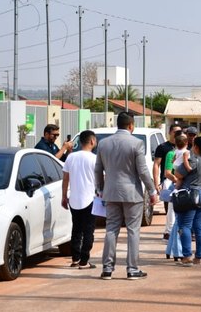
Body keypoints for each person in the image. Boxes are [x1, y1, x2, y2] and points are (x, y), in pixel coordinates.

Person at [95, 112, 158, 280]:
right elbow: (143, 171)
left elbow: (97, 169)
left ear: (118, 124)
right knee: (132, 231)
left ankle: (107, 269)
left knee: (111, 229)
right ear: (131, 126)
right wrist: (152, 190)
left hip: (110, 192)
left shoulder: (103, 143)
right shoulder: (136, 143)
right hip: (132, 193)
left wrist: (100, 189)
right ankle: (132, 269)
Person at [173, 137, 201, 265]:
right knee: (200, 226)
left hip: (191, 195)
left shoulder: (192, 160)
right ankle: (199, 257)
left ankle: (187, 256)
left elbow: (178, 174)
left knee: (185, 225)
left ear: (196, 147)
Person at [61, 130, 97, 269]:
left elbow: (65, 179)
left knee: (76, 229)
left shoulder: (71, 157)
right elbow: (101, 179)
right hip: (90, 199)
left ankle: (75, 258)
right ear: (92, 141)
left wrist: (64, 196)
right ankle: (84, 260)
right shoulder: (95, 159)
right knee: (88, 231)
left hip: (74, 199)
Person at [153, 123, 181, 240]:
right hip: (168, 181)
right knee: (169, 207)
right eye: (176, 132)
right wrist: (156, 182)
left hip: (181, 181)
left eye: (180, 132)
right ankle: (170, 231)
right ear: (170, 132)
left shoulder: (184, 148)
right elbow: (156, 165)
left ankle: (172, 230)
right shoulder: (163, 148)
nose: (178, 135)